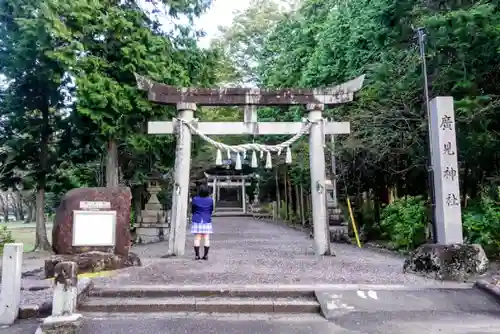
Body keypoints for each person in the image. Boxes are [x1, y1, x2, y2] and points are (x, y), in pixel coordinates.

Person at [190, 184, 213, 260]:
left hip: (197, 219)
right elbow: (211, 209)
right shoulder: (210, 200)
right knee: (207, 238)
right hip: (206, 219)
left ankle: (197, 255)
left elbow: (193, 209)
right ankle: (206, 255)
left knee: (197, 238)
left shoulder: (195, 199)